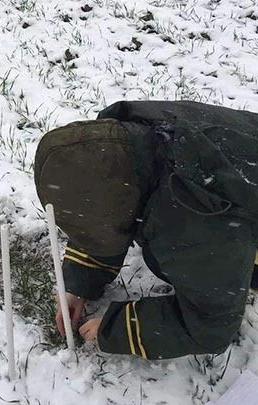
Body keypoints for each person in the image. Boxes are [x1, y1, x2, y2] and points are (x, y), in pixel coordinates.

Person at [34, 100, 258, 359]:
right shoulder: (120, 136)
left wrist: (115, 330)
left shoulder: (195, 215)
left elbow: (209, 325)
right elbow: (104, 200)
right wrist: (79, 281)